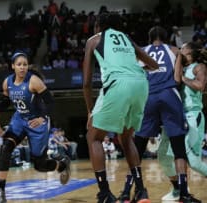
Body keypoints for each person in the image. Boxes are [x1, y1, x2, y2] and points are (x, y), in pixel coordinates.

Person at [118, 27, 203, 203]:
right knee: (179, 151)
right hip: (169, 96)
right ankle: (184, 195)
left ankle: (126, 192)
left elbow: (134, 75)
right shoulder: (174, 50)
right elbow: (178, 79)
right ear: (165, 38)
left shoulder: (142, 51)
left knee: (137, 150)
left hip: (148, 97)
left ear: (149, 38)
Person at [82, 12, 158, 203]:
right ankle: (141, 191)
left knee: (94, 137)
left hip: (118, 83)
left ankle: (105, 193)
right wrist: (134, 71)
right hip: (140, 83)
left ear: (98, 26)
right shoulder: (126, 38)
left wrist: (90, 110)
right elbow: (154, 64)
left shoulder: (94, 40)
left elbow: (86, 82)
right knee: (126, 137)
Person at [0, 52, 71, 203]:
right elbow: (6, 102)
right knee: (5, 148)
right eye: (19, 64)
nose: (22, 67)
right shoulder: (7, 82)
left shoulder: (34, 81)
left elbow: (51, 102)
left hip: (37, 123)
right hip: (19, 120)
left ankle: (62, 164)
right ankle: (0, 192)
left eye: (25, 64)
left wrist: (41, 118)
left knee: (39, 165)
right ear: (13, 66)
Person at [157, 41, 207, 202]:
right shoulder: (178, 66)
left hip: (192, 115)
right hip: (174, 116)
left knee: (193, 161)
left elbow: (200, 86)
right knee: (164, 156)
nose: (179, 50)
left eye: (183, 48)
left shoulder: (199, 67)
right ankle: (177, 189)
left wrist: (182, 77)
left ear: (190, 53)